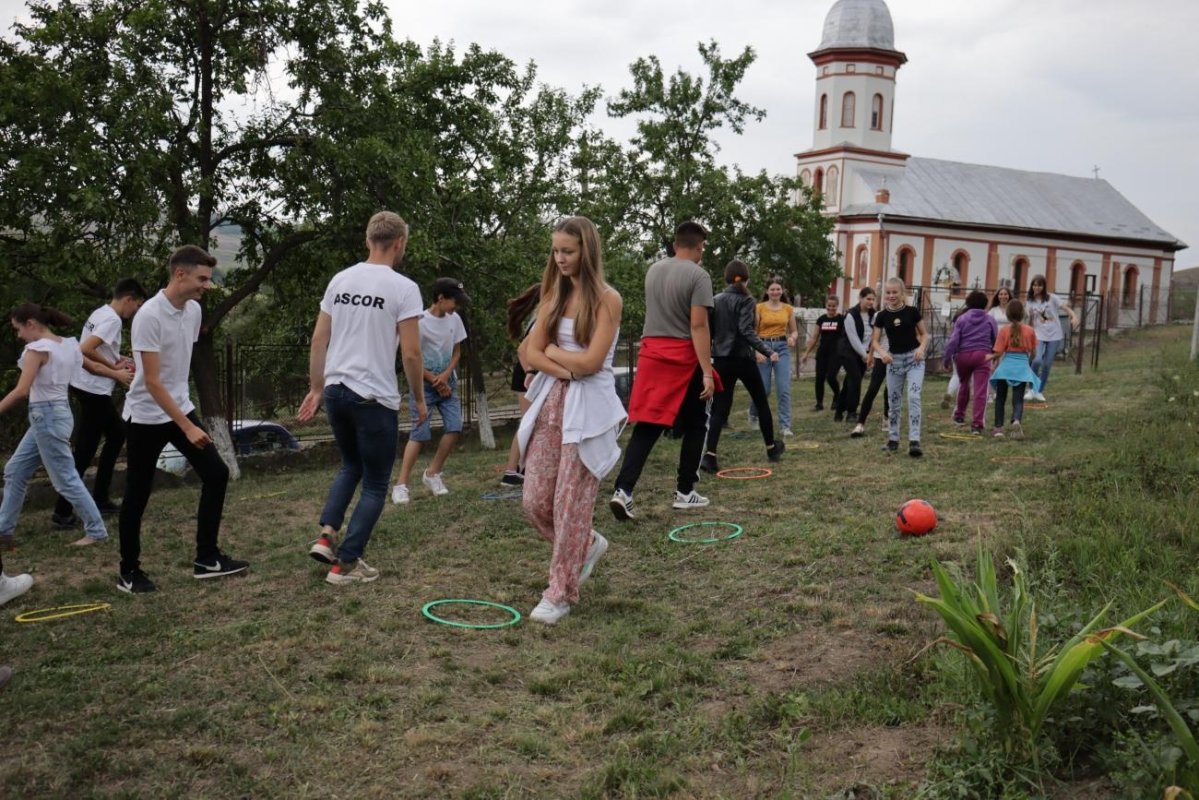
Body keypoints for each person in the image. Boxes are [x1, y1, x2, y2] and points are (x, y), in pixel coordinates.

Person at [300, 212, 427, 584]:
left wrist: (317, 386)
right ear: (400, 242)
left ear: (367, 240)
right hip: (373, 397)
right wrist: (419, 400)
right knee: (374, 482)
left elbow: (319, 339)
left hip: (338, 390)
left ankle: (327, 535)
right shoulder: (403, 288)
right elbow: (412, 354)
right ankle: (347, 564)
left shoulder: (341, 280)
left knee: (350, 465)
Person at [117, 246, 248, 594]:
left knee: (216, 474)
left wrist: (186, 416)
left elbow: (177, 369)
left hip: (178, 407)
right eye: (202, 278)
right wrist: (187, 425)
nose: (207, 285)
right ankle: (128, 572)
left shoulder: (192, 312)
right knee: (137, 494)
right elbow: (153, 381)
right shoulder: (148, 316)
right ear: (180, 274)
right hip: (146, 415)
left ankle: (207, 558)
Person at [518, 216, 624, 624]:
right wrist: (569, 366)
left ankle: (560, 591)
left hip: (589, 410)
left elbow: (593, 362)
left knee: (568, 506)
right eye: (556, 250)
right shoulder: (554, 295)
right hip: (552, 403)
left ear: (587, 251)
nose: (559, 258)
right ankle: (587, 544)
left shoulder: (607, 299)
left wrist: (554, 357)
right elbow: (530, 355)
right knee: (534, 501)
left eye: (568, 251)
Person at [609, 221, 716, 520]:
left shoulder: (653, 270)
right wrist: (707, 371)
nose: (702, 253)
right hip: (683, 356)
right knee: (698, 423)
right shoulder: (699, 275)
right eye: (702, 248)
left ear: (673, 244)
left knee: (648, 424)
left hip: (652, 354)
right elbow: (698, 325)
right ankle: (685, 491)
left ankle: (623, 491)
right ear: (698, 247)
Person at [0, 303, 107, 548]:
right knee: (15, 470)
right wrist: (117, 372)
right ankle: (3, 532)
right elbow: (94, 368)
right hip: (55, 414)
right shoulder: (67, 344)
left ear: (31, 324)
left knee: (65, 479)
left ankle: (97, 530)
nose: (18, 335)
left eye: (18, 329)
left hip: (46, 416)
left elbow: (21, 391)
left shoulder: (36, 349)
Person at [51, 278, 147, 528]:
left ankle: (92, 500)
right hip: (93, 389)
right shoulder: (114, 320)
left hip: (85, 386)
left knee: (106, 439)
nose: (135, 312)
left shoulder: (101, 312)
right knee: (93, 446)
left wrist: (118, 358)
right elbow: (86, 348)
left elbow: (98, 349)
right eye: (136, 306)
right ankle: (67, 509)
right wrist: (115, 371)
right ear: (129, 299)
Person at [702, 260, 786, 473]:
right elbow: (745, 331)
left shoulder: (716, 300)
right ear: (746, 278)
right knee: (760, 401)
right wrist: (768, 351)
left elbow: (709, 331)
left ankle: (710, 456)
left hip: (721, 359)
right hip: (742, 358)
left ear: (727, 278)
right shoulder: (747, 299)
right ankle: (771, 448)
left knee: (720, 407)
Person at [391, 277, 469, 503]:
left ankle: (433, 474)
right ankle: (401, 485)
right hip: (423, 385)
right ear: (441, 298)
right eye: (455, 301)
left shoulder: (455, 320)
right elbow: (411, 356)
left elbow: (457, 353)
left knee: (455, 427)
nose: (457, 306)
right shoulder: (419, 322)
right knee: (420, 434)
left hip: (448, 384)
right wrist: (434, 379)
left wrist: (445, 377)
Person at [869, 278, 929, 457]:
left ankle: (914, 441)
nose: (891, 295)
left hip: (914, 360)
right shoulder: (881, 315)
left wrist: (921, 348)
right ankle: (893, 440)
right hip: (893, 361)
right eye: (888, 292)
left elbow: (924, 334)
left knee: (913, 397)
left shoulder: (912, 312)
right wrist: (882, 353)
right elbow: (874, 341)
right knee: (893, 402)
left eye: (895, 292)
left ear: (902, 293)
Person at [500, 284, 541, 487]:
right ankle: (511, 471)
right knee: (528, 423)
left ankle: (523, 469)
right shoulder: (540, 319)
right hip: (527, 374)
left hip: (530, 373)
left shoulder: (540, 317)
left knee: (531, 423)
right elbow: (522, 351)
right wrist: (530, 375)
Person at [941, 290, 998, 435]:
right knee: (980, 390)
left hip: (963, 356)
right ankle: (977, 424)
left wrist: (947, 359)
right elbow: (995, 338)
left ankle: (959, 415)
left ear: (969, 303)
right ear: (985, 304)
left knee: (964, 384)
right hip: (983, 355)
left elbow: (953, 340)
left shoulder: (962, 319)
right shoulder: (990, 319)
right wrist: (993, 354)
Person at [748, 277, 798, 437]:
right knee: (764, 388)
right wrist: (756, 351)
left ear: (782, 291)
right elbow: (753, 333)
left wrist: (793, 338)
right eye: (772, 289)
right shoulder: (759, 308)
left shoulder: (788, 309)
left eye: (778, 289)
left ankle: (785, 426)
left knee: (783, 388)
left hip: (782, 348)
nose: (775, 292)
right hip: (763, 347)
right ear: (767, 291)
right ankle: (753, 414)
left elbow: (794, 330)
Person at [989, 299, 1040, 439]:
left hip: (1005, 368)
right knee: (1018, 399)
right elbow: (1034, 353)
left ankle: (998, 428)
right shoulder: (1030, 330)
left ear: (1007, 314)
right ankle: (1016, 420)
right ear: (1023, 313)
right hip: (1021, 368)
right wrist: (1027, 363)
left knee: (1000, 398)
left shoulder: (1004, 330)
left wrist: (993, 363)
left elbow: (998, 352)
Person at [1026, 275, 1079, 402]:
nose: (1036, 287)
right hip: (1038, 334)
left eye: (1039, 285)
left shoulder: (1052, 298)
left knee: (1047, 364)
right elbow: (1030, 322)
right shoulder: (1029, 301)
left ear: (1044, 286)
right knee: (1037, 360)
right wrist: (1030, 325)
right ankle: (1031, 389)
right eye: (1034, 285)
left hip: (1054, 335)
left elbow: (1066, 308)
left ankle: (1039, 391)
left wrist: (1074, 316)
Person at [839, 287, 875, 434]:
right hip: (848, 352)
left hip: (864, 353)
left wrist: (870, 353)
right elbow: (853, 338)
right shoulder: (850, 315)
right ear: (860, 298)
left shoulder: (875, 315)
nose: (870, 302)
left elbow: (874, 335)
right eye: (868, 299)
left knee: (850, 382)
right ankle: (852, 412)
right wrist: (865, 355)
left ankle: (839, 411)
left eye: (873, 299)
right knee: (855, 379)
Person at [802, 295, 843, 416]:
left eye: (833, 306)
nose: (831, 308)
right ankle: (819, 404)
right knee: (819, 378)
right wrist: (806, 353)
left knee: (831, 377)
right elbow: (814, 338)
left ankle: (837, 395)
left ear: (837, 306)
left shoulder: (842, 319)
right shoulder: (821, 319)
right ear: (826, 305)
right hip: (822, 353)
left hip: (836, 354)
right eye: (829, 306)